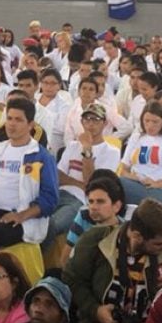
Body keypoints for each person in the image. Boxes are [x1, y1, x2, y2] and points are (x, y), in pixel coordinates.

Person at [0, 98, 59, 252]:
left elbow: (50, 199)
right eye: (9, 118)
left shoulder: (41, 156)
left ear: (30, 125)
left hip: (21, 215)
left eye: (18, 120)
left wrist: (21, 216)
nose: (12, 124)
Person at [52, 102, 121, 247]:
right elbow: (57, 176)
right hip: (59, 193)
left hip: (80, 200)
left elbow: (92, 183)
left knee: (54, 225)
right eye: (87, 119)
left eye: (95, 120)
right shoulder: (72, 146)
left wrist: (87, 149)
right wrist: (79, 183)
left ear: (104, 123)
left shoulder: (112, 152)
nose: (90, 124)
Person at [118, 101, 162, 205]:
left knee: (114, 185)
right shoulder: (136, 138)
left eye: (155, 122)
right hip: (135, 183)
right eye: (146, 121)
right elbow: (124, 170)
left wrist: (157, 184)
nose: (150, 126)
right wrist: (136, 178)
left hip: (161, 190)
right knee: (109, 182)